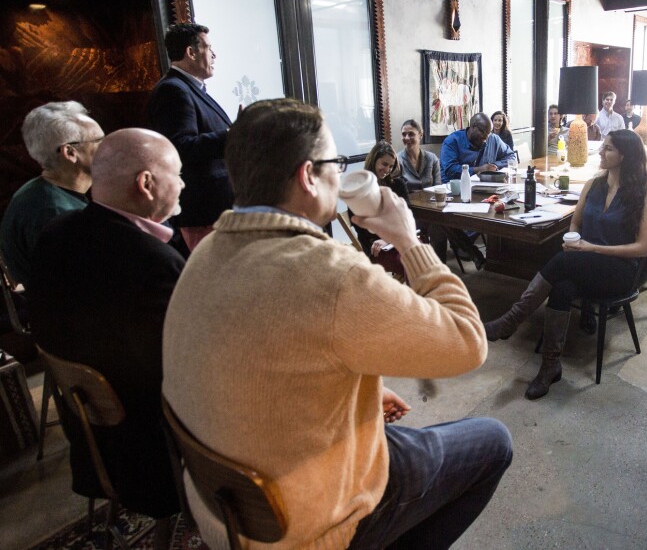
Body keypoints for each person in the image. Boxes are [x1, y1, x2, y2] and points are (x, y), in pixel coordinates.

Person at [162, 99, 512, 549]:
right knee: (493, 439)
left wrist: (355, 388)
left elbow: (255, 351)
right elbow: (467, 342)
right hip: (306, 522)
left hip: (223, 509)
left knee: (393, 430)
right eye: (336, 162)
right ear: (309, 176)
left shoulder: (203, 254)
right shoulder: (333, 275)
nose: (341, 173)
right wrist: (408, 239)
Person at [28, 128, 185, 521]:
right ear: (146, 184)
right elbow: (188, 371)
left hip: (93, 444)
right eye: (178, 173)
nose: (184, 184)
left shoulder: (55, 235)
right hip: (155, 459)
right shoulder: (150, 261)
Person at [483, 130, 647, 399]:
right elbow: (576, 221)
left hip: (619, 270)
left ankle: (511, 320)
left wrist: (590, 247)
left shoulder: (642, 195)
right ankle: (550, 365)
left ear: (624, 155)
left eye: (608, 148)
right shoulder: (594, 184)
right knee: (562, 285)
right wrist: (572, 238)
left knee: (564, 263)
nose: (601, 151)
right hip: (585, 261)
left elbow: (643, 247)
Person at [148, 22, 234, 251]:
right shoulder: (173, 90)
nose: (214, 54)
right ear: (191, 52)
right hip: (202, 212)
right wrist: (232, 135)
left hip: (217, 209)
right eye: (208, 47)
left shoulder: (191, 88)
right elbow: (180, 147)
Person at [1, 102, 103, 288]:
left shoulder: (38, 191)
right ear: (70, 153)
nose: (108, 148)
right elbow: (80, 287)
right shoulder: (55, 212)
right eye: (99, 141)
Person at [351, 141, 409, 278]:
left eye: (391, 166)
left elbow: (408, 215)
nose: (388, 169)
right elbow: (361, 226)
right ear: (373, 161)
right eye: (384, 164)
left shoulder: (398, 184)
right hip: (377, 247)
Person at [396, 119, 447, 262]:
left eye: (411, 134)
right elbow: (399, 195)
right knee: (439, 227)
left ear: (420, 135)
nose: (406, 138)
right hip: (411, 212)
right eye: (404, 134)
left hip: (432, 209)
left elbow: (438, 187)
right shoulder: (397, 161)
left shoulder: (432, 159)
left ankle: (440, 267)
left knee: (444, 224)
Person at [439, 112, 515, 183]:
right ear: (473, 127)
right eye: (483, 132)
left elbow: (511, 156)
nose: (486, 138)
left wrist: (495, 165)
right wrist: (478, 170)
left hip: (484, 187)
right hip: (456, 189)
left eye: (488, 133)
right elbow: (450, 169)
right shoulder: (452, 141)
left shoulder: (493, 139)